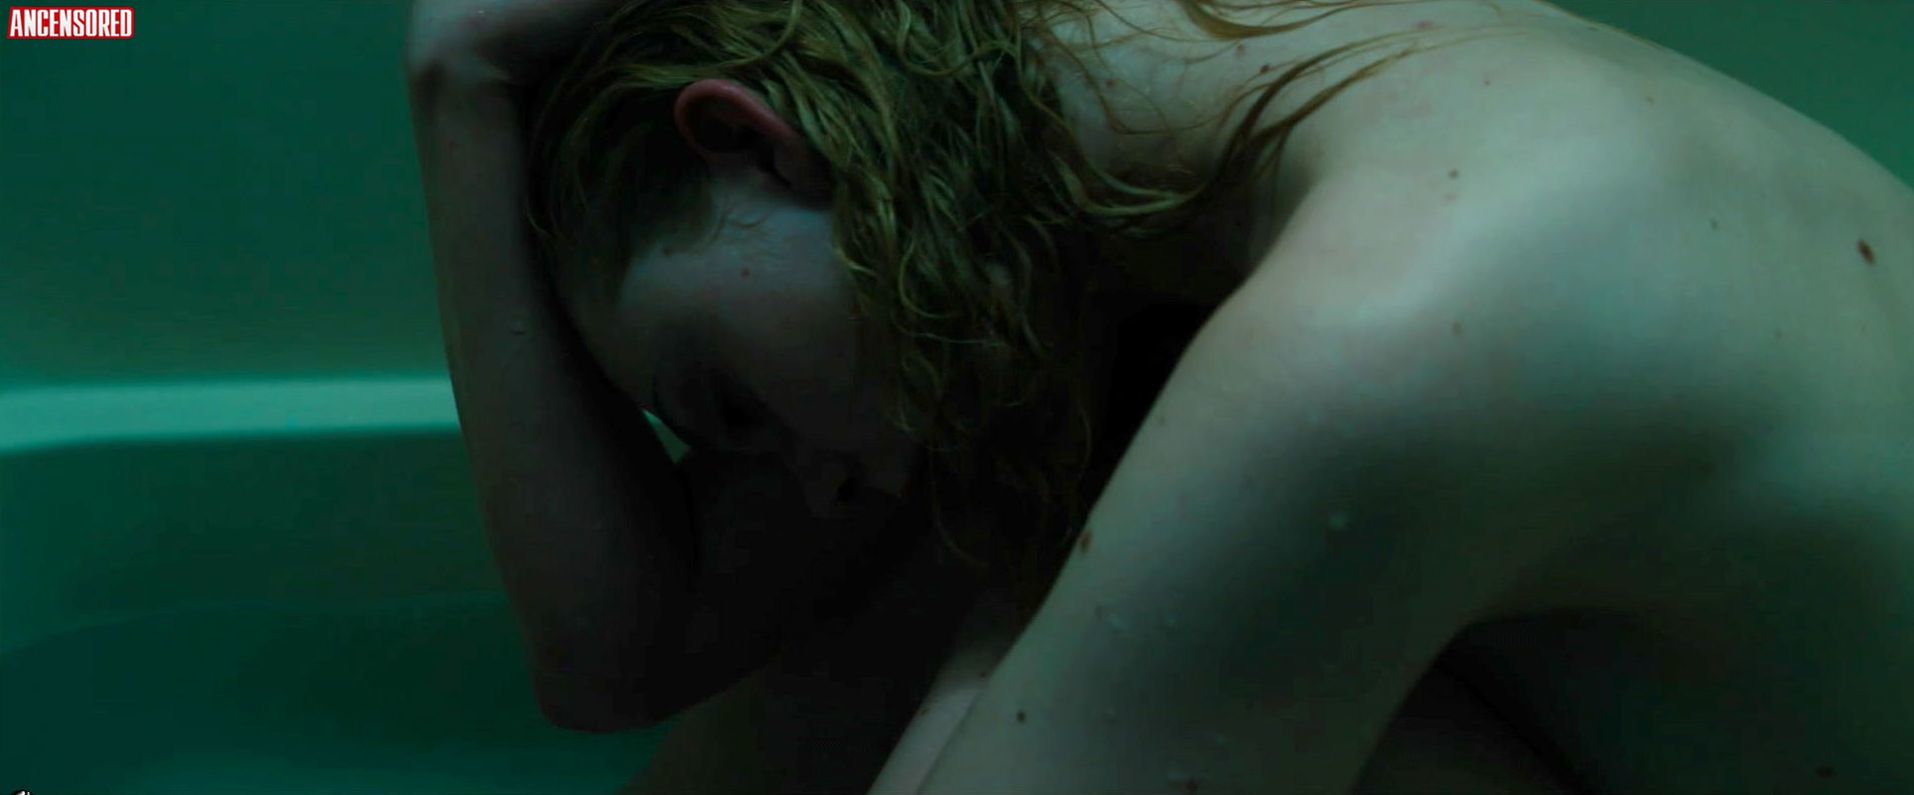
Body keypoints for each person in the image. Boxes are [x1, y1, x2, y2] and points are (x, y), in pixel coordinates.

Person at [405, 0, 1914, 792]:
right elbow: (620, 662)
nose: (804, 480)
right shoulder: (1234, 66)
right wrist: (461, 81)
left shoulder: (1388, 323)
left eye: (728, 401)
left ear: (758, 142)